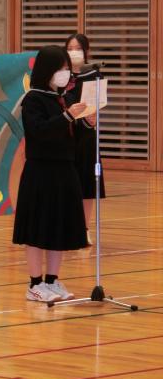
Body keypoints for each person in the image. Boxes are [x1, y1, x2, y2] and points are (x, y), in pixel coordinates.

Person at [13, 45, 89, 302]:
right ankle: (35, 284)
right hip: (40, 172)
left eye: (67, 68)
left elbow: (71, 140)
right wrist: (66, 117)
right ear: (48, 70)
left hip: (64, 170)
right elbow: (39, 132)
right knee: (38, 228)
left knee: (58, 227)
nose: (65, 73)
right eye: (61, 68)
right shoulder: (33, 100)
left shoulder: (63, 99)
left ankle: (52, 280)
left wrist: (85, 124)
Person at [65, 33, 104, 245]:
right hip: (66, 135)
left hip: (87, 137)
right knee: (66, 183)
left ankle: (84, 228)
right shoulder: (61, 76)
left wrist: (93, 116)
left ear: (86, 51)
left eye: (78, 48)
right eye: (70, 48)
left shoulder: (94, 75)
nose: (74, 52)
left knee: (87, 184)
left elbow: (98, 102)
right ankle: (66, 226)